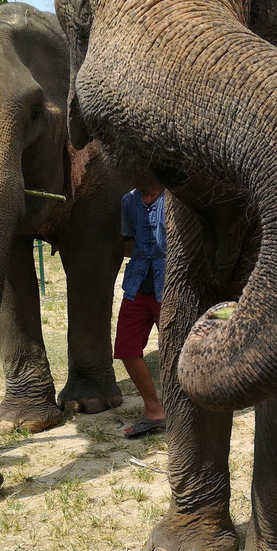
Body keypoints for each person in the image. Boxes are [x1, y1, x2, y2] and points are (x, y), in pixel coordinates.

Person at [114, 184, 167, 438]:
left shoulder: (174, 198)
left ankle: (184, 412)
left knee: (176, 350)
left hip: (169, 286)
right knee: (126, 348)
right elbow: (130, 240)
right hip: (137, 285)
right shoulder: (129, 200)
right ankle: (154, 410)